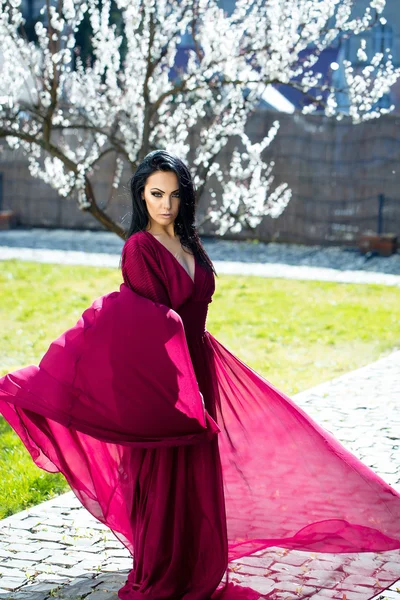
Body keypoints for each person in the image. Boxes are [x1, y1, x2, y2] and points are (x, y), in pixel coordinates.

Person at [0, 149, 400, 600]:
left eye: (174, 194)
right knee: (163, 476)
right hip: (162, 379)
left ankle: (196, 559)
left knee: (196, 474)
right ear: (142, 197)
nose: (165, 204)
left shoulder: (190, 243)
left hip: (201, 370)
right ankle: (165, 566)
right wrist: (173, 385)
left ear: (185, 197)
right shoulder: (139, 248)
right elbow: (147, 325)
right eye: (155, 194)